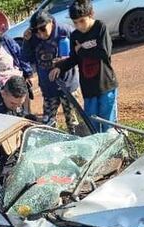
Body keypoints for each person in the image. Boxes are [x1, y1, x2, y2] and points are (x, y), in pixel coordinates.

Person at [53, 0, 119, 132]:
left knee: (108, 124)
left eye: (82, 21)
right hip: (88, 88)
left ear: (91, 14)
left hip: (106, 84)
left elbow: (104, 53)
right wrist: (60, 67)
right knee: (92, 124)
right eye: (75, 22)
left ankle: (113, 150)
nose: (79, 26)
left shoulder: (100, 28)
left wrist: (82, 51)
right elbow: (74, 58)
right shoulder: (75, 35)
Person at [22, 10, 80, 132]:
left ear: (51, 22)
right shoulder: (33, 38)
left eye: (43, 29)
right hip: (48, 87)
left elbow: (78, 55)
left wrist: (64, 62)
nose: (40, 34)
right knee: (48, 124)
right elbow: (25, 58)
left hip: (68, 85)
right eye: (36, 31)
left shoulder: (65, 31)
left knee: (73, 122)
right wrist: (26, 41)